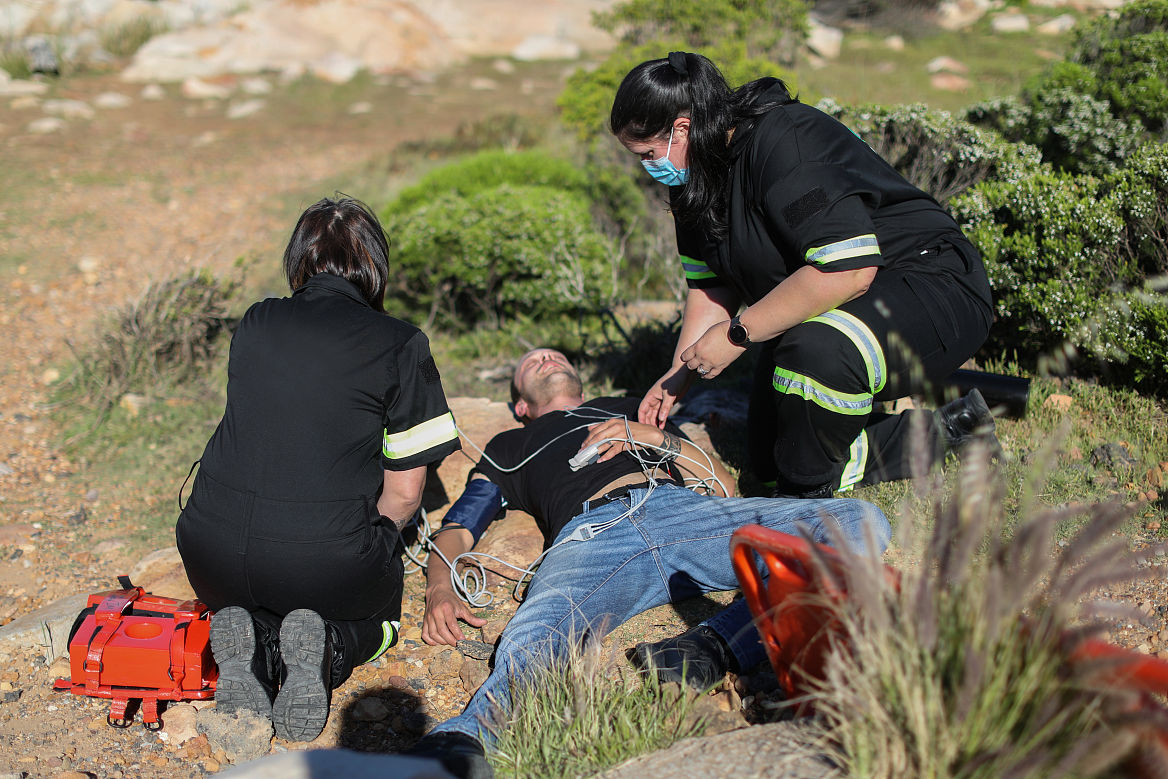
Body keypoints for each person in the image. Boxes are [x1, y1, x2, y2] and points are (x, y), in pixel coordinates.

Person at [404, 348, 891, 779]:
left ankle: (713, 645)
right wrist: (439, 588)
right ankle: (465, 742)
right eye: (531, 362)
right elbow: (460, 525)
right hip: (591, 537)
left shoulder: (630, 406)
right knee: (539, 628)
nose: (546, 358)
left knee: (857, 521)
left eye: (556, 354)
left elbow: (719, 481)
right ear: (521, 406)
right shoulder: (510, 445)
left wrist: (651, 436)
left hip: (684, 512)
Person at [611, 51, 997, 500]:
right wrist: (678, 376)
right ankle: (956, 428)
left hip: (931, 285)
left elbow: (848, 271)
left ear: (682, 129)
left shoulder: (784, 140)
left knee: (815, 356)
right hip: (836, 308)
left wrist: (736, 336)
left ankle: (802, 503)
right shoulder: (693, 183)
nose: (649, 167)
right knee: (771, 459)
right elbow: (710, 289)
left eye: (649, 154)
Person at [175, 197, 461, 741]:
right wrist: (363, 542)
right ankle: (328, 647)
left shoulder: (256, 321)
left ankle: (252, 635)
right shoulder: (399, 342)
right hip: (323, 563)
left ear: (299, 261)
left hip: (209, 550)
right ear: (374, 267)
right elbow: (404, 496)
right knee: (384, 616)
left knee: (264, 594)